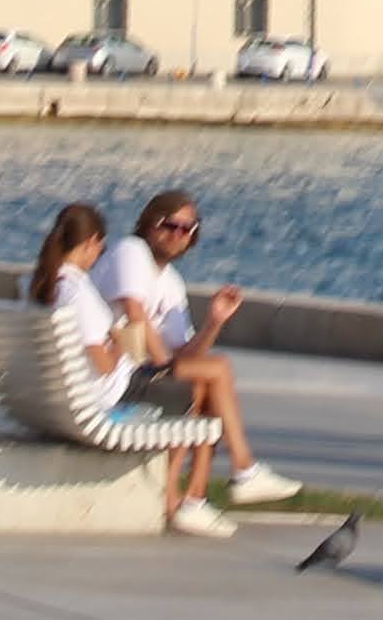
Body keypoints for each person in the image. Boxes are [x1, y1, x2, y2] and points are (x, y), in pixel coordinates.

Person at [93, 189, 297, 510]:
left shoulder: (171, 282)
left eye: (187, 228)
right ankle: (240, 471)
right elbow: (134, 312)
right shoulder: (131, 251)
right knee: (217, 369)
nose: (178, 234)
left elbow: (187, 355)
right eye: (170, 225)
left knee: (206, 380)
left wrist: (214, 322)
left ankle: (193, 499)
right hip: (111, 380)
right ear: (149, 224)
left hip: (133, 377)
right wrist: (164, 365)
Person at [32, 201, 223, 535]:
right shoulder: (76, 292)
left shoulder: (44, 285)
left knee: (203, 376)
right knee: (193, 391)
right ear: (92, 242)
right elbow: (105, 365)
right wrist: (121, 341)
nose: (100, 255)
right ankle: (185, 499)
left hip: (62, 399)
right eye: (100, 247)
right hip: (104, 401)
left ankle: (196, 494)